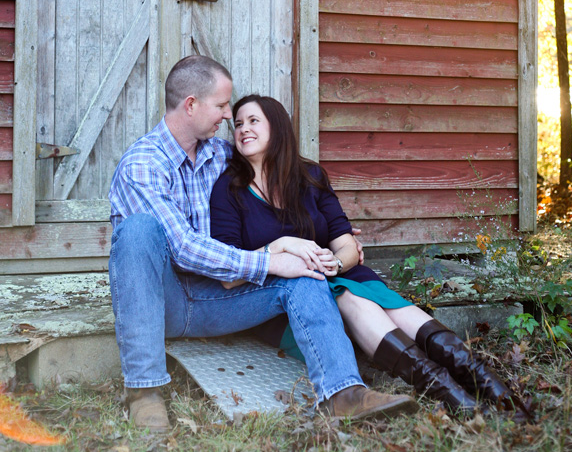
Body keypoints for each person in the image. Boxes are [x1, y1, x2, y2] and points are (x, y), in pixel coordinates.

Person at [109, 56, 419, 433]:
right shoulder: (142, 164)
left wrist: (328, 243)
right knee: (138, 230)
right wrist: (272, 257)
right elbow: (184, 247)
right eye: (222, 105)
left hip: (219, 299)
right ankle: (145, 393)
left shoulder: (221, 155)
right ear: (191, 105)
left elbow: (273, 182)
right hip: (165, 302)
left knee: (302, 273)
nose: (228, 116)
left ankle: (343, 393)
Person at [210, 94, 516, 413]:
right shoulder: (229, 189)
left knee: (393, 307)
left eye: (253, 121)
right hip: (289, 297)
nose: (243, 129)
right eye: (238, 124)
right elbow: (228, 267)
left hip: (337, 275)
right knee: (350, 296)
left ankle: (495, 390)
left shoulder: (309, 177)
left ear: (278, 127)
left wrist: (337, 261)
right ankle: (454, 398)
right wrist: (281, 246)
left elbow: (346, 243)